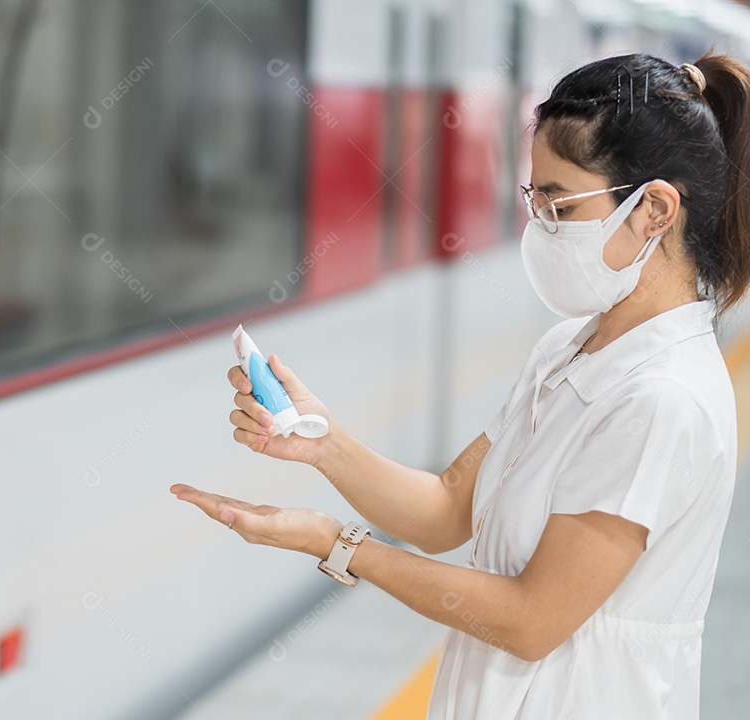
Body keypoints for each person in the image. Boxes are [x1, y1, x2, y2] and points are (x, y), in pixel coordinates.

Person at [170, 51, 750, 719]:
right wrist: (321, 443)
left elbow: (533, 620)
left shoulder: (662, 400)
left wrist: (339, 546)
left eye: (559, 204)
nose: (541, 228)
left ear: (654, 209)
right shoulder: (569, 349)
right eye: (535, 199)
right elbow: (449, 506)